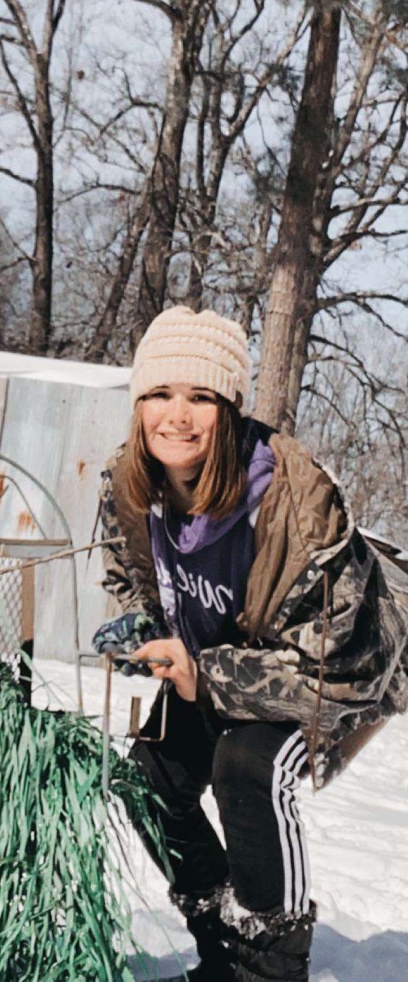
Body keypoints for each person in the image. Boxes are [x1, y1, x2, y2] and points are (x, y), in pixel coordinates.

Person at [92, 306, 408, 982]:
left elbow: (334, 667)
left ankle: (269, 973)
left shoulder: (296, 504)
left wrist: (205, 676)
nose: (176, 416)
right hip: (221, 664)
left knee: (247, 766)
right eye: (158, 393)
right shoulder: (132, 483)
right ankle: (222, 955)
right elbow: (129, 574)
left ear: (229, 407)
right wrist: (143, 626)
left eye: (200, 396)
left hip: (347, 671)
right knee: (148, 778)